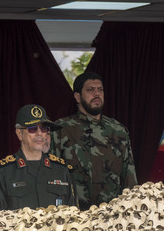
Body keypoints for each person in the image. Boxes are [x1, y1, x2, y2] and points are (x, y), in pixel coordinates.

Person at [50, 71, 137, 210]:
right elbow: (50, 176)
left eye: (100, 90)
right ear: (78, 97)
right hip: (72, 216)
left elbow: (129, 179)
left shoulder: (118, 131)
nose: (97, 94)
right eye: (90, 90)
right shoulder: (61, 129)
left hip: (111, 215)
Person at [0, 104, 77, 210]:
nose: (39, 133)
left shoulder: (62, 170)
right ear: (19, 134)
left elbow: (73, 216)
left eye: (43, 128)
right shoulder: (2, 172)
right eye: (32, 129)